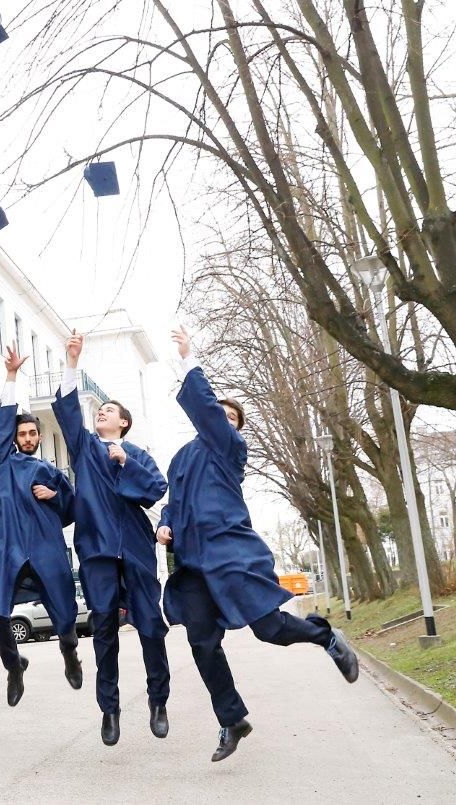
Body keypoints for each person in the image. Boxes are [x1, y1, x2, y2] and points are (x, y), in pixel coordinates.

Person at [158, 327, 359, 762]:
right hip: (193, 562)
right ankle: (231, 719)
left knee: (270, 630)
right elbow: (173, 503)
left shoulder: (230, 448)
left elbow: (208, 412)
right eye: (218, 414)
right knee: (202, 643)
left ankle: (325, 637)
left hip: (231, 553)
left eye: (229, 416)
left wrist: (188, 357)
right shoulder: (181, 457)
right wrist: (164, 524)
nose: (221, 419)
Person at [54, 333, 170, 746]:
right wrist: (71, 361)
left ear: (123, 422)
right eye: (98, 410)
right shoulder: (84, 448)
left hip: (136, 548)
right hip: (98, 549)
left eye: (108, 410)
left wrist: (125, 463)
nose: (101, 413)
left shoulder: (135, 453)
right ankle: (110, 710)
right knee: (103, 627)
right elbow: (68, 412)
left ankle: (159, 700)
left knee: (151, 626)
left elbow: (156, 488)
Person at [0, 345, 84, 707]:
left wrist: (52, 496)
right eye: (22, 433)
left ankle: (70, 652)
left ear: (39, 438)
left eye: (32, 434)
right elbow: (1, 422)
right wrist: (11, 376)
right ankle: (14, 666)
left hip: (45, 546)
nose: (27, 438)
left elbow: (71, 510)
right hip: (9, 546)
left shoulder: (51, 472)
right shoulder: (2, 465)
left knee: (64, 609)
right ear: (15, 437)